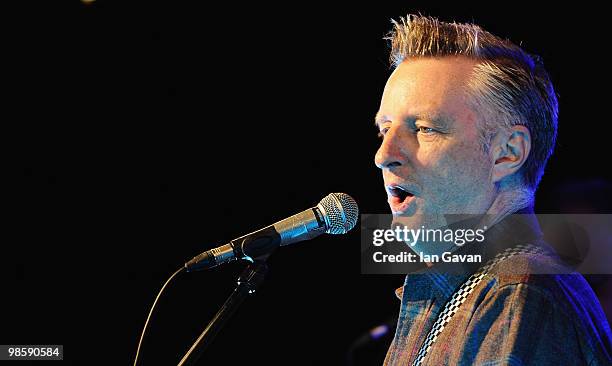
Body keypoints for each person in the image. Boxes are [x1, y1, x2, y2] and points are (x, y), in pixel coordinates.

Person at [374, 14, 611, 365]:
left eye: (424, 129)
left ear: (508, 152)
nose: (384, 156)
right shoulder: (473, 292)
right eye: (384, 129)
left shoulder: (520, 296)